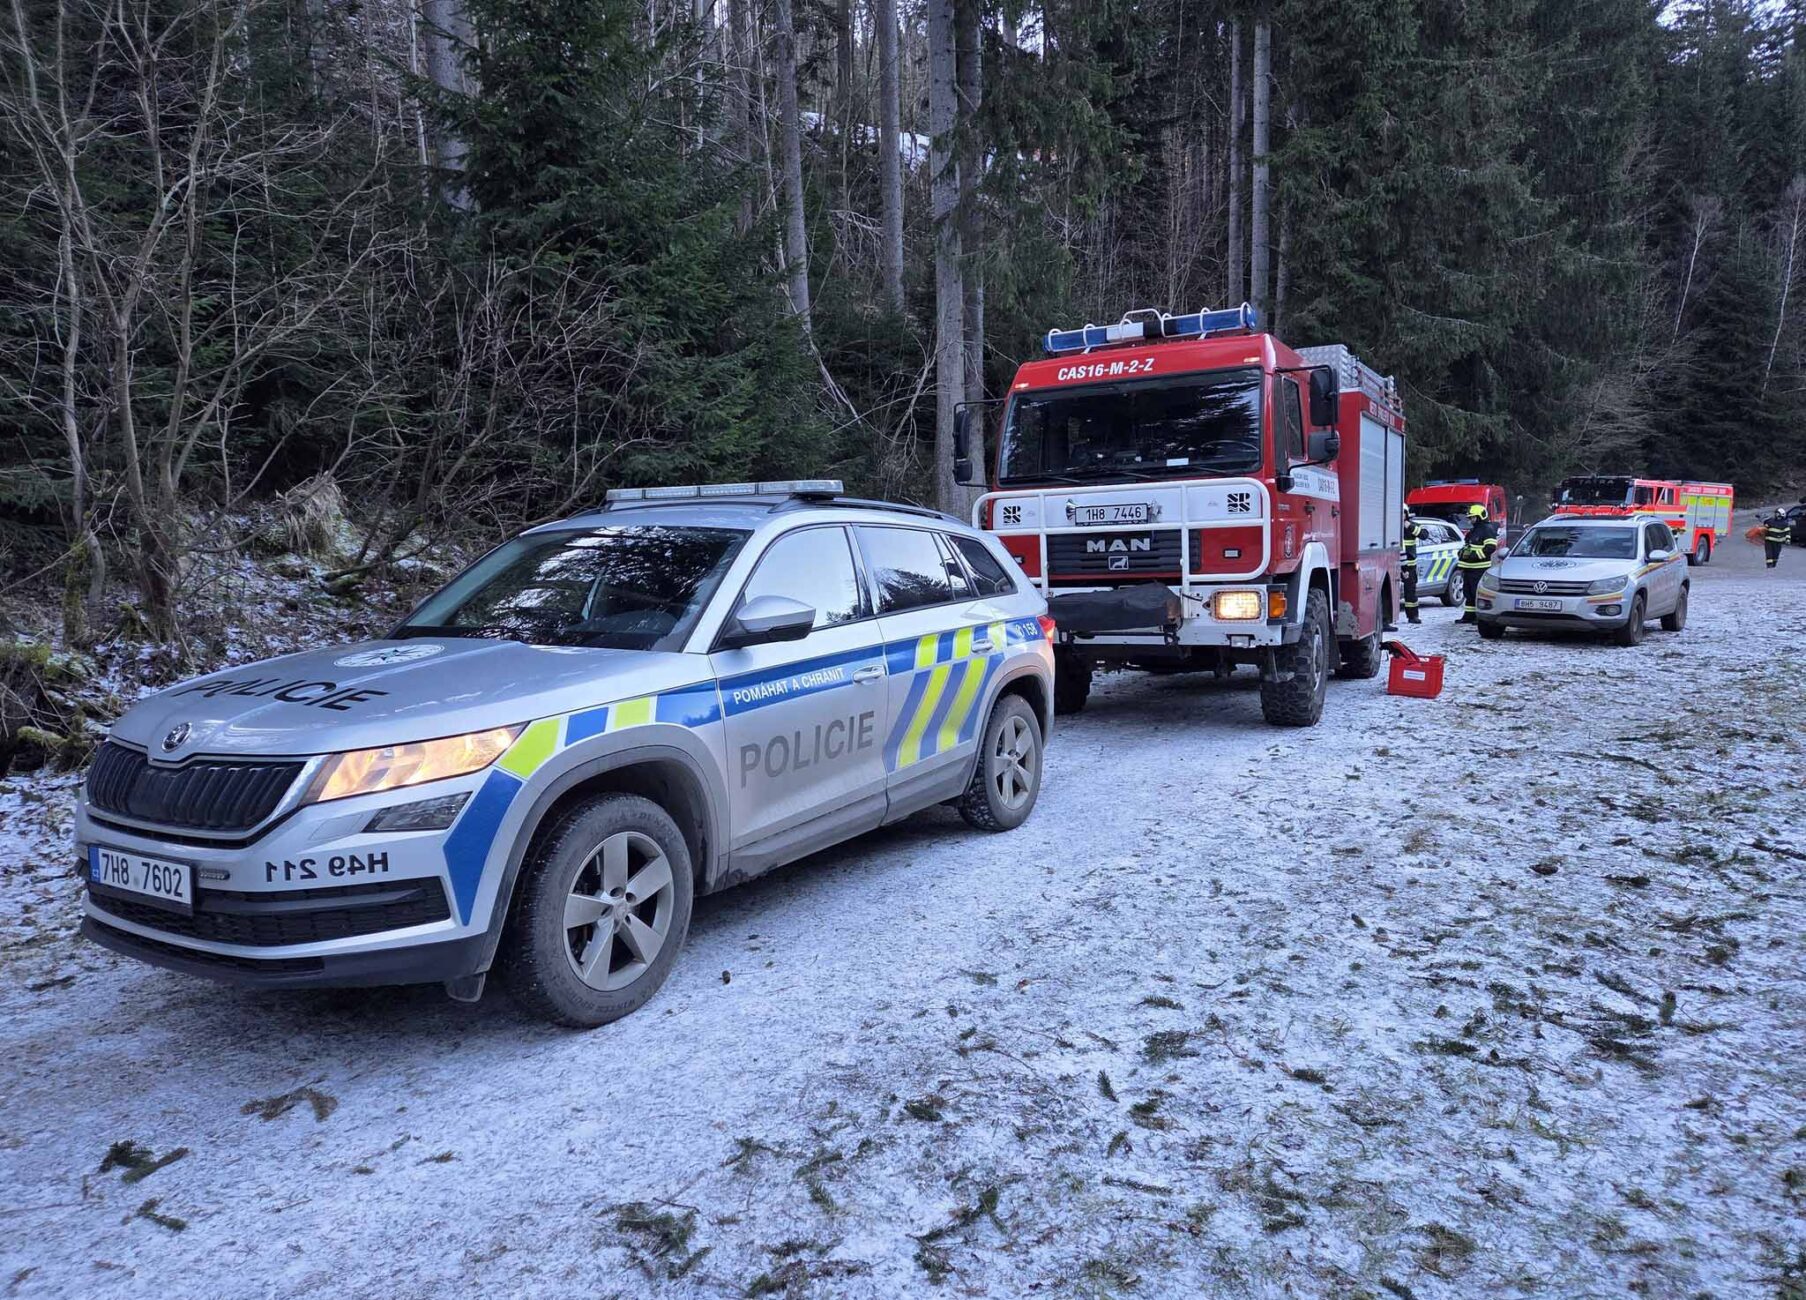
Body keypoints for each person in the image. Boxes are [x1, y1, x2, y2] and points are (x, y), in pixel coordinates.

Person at [1455, 503, 1499, 624]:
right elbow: (1469, 545)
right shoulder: (1475, 529)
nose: (1470, 520)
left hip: (1479, 568)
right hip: (1468, 568)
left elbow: (1490, 547)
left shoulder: (1487, 529)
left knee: (1476, 593)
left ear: (1480, 517)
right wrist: (1462, 553)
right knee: (1468, 593)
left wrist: (1474, 556)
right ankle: (1468, 616)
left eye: (1473, 517)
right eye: (1470, 517)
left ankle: (1479, 617)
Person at [1400, 509, 1423, 624]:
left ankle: (1413, 616)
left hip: (1409, 565)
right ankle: (1385, 620)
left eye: (1403, 513)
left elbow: (1424, 535)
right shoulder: (1392, 526)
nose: (1402, 515)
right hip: (1396, 564)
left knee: (1410, 592)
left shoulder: (1411, 526)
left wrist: (1410, 527)